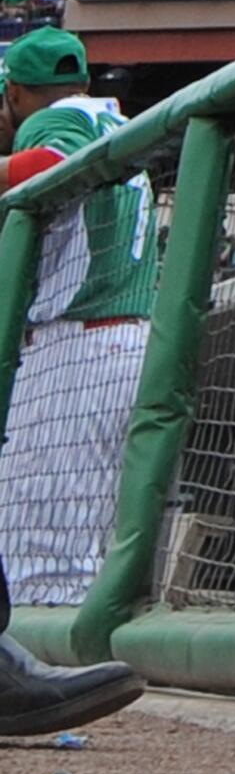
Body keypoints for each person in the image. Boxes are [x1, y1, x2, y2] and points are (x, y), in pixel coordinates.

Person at [0, 31, 157, 605]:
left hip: (78, 349)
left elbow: (51, 163)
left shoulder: (55, 119)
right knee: (95, 539)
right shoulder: (116, 122)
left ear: (15, 93)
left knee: (40, 552)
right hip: (131, 344)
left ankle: (44, 678)